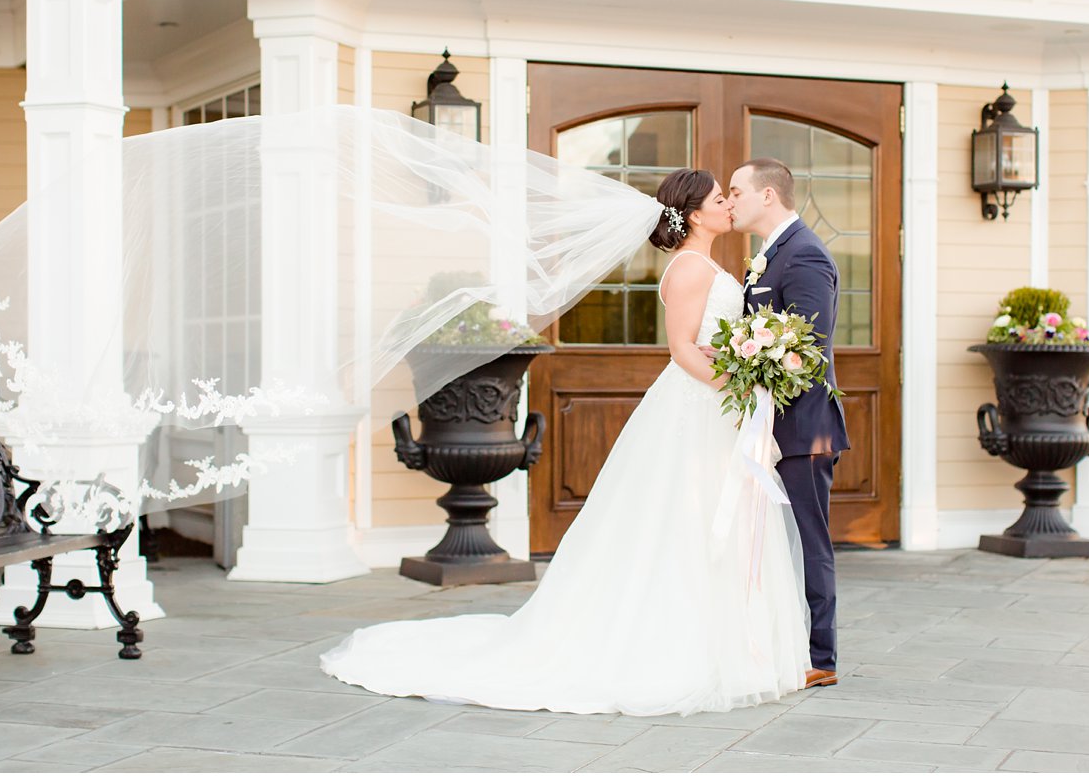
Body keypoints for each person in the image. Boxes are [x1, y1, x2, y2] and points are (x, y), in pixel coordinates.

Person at [319, 169, 810, 716]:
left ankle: (728, 644)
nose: (728, 206)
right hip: (698, 407)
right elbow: (682, 350)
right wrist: (743, 389)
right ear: (695, 214)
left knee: (698, 519)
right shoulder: (692, 268)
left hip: (710, 410)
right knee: (682, 519)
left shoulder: (707, 264)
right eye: (721, 199)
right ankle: (678, 648)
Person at [726, 157, 849, 689]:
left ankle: (822, 657)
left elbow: (808, 350)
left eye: (736, 191)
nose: (730, 201)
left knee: (809, 540)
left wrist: (758, 384)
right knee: (767, 543)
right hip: (766, 425)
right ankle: (773, 642)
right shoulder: (768, 255)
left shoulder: (804, 255)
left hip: (801, 430)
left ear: (768, 195)